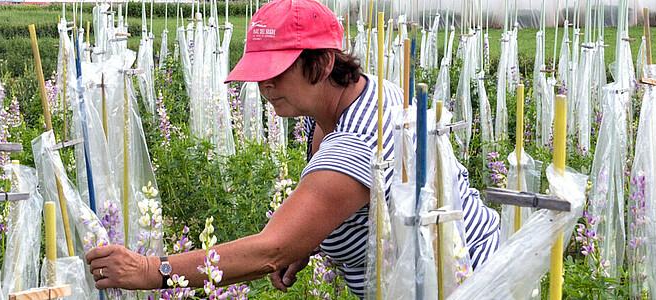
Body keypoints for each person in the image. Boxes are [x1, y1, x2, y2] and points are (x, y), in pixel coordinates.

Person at [85, 0, 500, 297]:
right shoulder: (349, 94)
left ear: (320, 66)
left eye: (275, 74)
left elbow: (273, 248)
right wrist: (315, 237)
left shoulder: (357, 141)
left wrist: (150, 270)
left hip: (461, 283)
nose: (263, 86)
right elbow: (368, 203)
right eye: (258, 74)